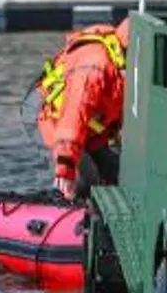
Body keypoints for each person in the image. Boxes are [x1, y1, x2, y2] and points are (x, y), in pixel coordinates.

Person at [34, 18, 131, 202]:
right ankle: (68, 204)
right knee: (84, 180)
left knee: (117, 174)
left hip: (89, 132)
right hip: (53, 120)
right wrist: (66, 166)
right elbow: (74, 115)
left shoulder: (124, 67)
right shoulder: (96, 65)